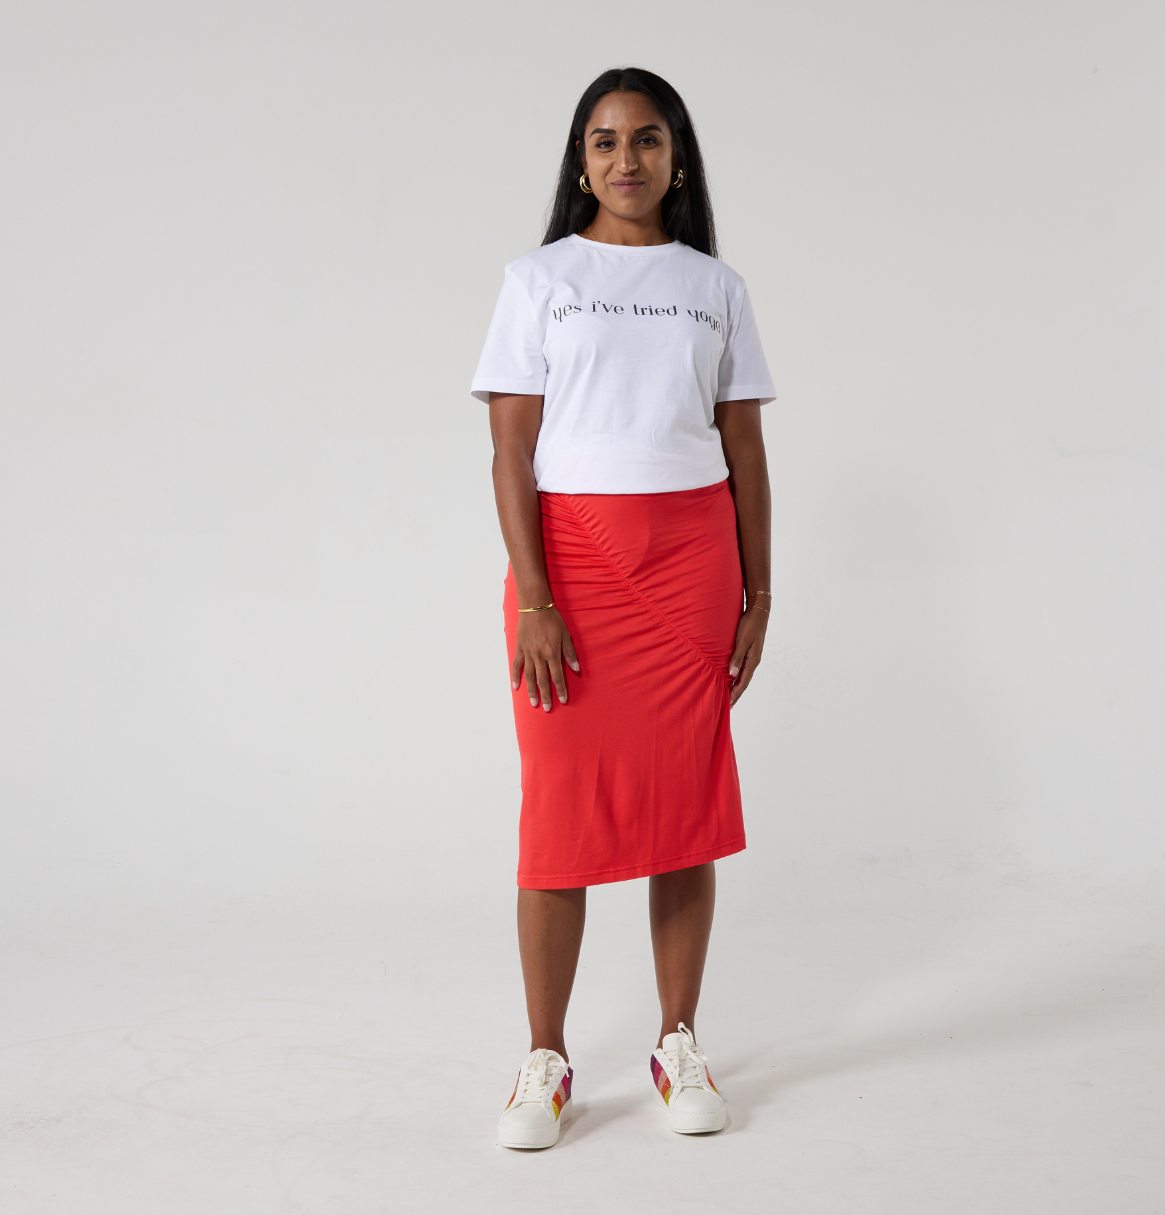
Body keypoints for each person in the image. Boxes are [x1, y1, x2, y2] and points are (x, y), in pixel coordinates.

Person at [471, 66, 775, 1149]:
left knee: (680, 807)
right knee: (558, 814)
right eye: (603, 142)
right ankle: (545, 1058)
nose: (625, 159)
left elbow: (744, 448)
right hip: (574, 568)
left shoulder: (715, 286)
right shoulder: (538, 278)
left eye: (646, 139)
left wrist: (758, 591)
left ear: (677, 156)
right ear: (581, 161)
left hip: (691, 565)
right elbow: (510, 449)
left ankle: (677, 1039)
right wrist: (537, 601)